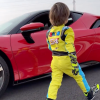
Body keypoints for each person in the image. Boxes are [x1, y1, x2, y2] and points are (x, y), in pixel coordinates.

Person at [46, 2, 99, 100]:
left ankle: (50, 98)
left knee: (55, 82)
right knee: (80, 76)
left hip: (55, 61)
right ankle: (89, 94)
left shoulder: (49, 33)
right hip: (67, 61)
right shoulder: (67, 30)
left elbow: (50, 47)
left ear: (51, 18)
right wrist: (74, 65)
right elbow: (71, 49)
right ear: (66, 18)